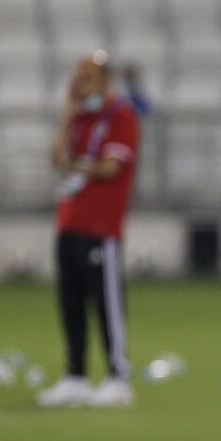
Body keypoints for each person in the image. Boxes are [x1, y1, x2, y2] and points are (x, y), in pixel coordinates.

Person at [36, 50, 141, 408]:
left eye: (88, 79)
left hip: (101, 227)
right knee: (71, 304)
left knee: (107, 304)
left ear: (106, 81)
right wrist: (66, 120)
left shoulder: (121, 116)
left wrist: (79, 165)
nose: (81, 86)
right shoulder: (80, 119)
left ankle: (118, 377)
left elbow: (111, 168)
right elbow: (56, 159)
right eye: (77, 79)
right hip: (70, 223)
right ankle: (75, 377)